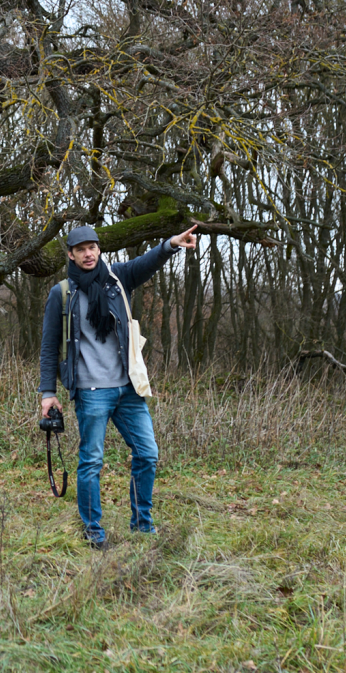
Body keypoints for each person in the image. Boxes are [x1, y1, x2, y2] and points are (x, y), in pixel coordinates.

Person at [39, 222, 199, 549]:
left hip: (127, 390)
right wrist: (48, 393)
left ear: (99, 250)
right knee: (92, 461)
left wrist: (170, 243)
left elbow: (146, 263)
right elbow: (48, 345)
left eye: (93, 247)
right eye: (81, 249)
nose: (88, 253)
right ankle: (93, 531)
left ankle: (142, 525)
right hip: (91, 392)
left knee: (147, 453)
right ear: (71, 254)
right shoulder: (62, 294)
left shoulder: (116, 281)